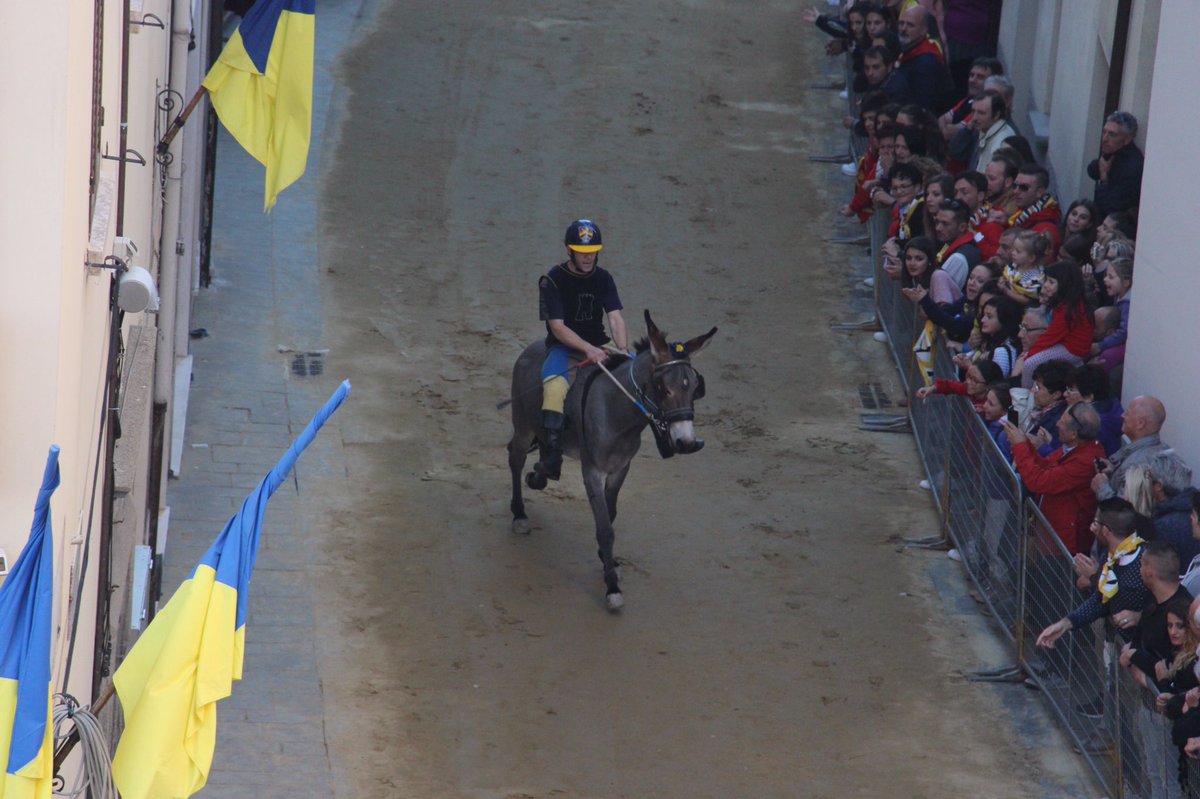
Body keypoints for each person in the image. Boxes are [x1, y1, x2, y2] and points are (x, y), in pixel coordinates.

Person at [532, 219, 629, 486]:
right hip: (564, 347)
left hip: (599, 343)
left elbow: (616, 318)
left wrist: (622, 349)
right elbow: (557, 327)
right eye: (581, 251)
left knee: (634, 376)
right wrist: (588, 349)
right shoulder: (552, 279)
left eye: (592, 251)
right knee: (553, 387)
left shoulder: (604, 278)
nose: (588, 257)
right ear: (569, 251)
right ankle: (552, 455)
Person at [1037, 498, 1148, 649]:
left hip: (1144, 655)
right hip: (1118, 648)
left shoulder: (1147, 561)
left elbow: (1165, 603)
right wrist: (1065, 624)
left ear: (1106, 531)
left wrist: (1140, 616)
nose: (1091, 528)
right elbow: (1101, 600)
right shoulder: (1111, 557)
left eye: (1096, 522)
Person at [1004, 401, 1105, 554]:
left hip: (1063, 544)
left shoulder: (1084, 461)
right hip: (1050, 535)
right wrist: (1026, 445)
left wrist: (1020, 447)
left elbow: (1038, 481)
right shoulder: (1073, 449)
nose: (1057, 424)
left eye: (1062, 422)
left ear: (1074, 434)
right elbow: (1046, 467)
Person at [1120, 542, 1193, 691]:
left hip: (1170, 702)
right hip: (1148, 700)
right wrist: (1134, 656)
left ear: (1149, 571)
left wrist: (1134, 656)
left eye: (1141, 565)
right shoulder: (1151, 597)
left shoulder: (1183, 611)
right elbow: (1138, 638)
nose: (1139, 570)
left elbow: (1177, 666)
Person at [1019, 260, 1094, 384]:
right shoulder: (1067, 303)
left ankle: (1024, 397)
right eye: (1047, 280)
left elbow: (1050, 337)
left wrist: (1029, 354)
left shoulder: (1069, 309)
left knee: (1030, 364)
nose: (1046, 285)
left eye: (1051, 282)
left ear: (1065, 285)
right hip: (1066, 344)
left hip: (1073, 350)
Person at [1093, 395, 1171, 501]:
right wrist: (1114, 471)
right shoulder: (1161, 449)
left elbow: (1126, 511)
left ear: (1140, 423)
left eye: (1127, 413)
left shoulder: (1138, 465)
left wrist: (1102, 488)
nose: (1122, 416)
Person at [1087, 110, 1145, 218]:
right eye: (1104, 132)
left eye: (1112, 134)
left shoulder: (1133, 166)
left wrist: (1104, 178)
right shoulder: (1114, 153)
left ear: (1127, 139)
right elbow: (1092, 169)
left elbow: (1110, 206)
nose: (1105, 139)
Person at [1065, 363, 1124, 457]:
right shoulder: (1110, 407)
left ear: (1088, 397)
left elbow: (1076, 458)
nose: (1065, 394)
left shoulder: (1094, 426)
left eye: (1071, 390)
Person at [968, 90, 1017, 170]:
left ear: (996, 115)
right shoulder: (984, 130)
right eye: (973, 111)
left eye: (981, 113)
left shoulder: (1001, 143)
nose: (974, 118)